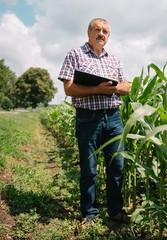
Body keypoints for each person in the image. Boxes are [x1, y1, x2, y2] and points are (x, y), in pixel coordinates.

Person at [58, 17, 131, 225]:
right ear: (89, 32)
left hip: (114, 117)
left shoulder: (114, 59)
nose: (101, 34)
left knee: (117, 165)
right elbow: (69, 88)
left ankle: (116, 211)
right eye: (98, 30)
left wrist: (114, 88)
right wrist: (97, 89)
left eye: (106, 31)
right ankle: (89, 213)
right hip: (88, 118)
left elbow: (126, 87)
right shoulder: (75, 54)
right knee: (89, 168)